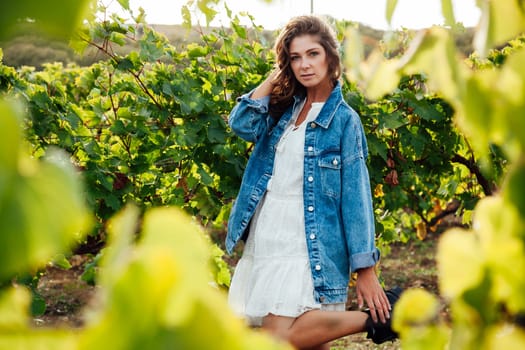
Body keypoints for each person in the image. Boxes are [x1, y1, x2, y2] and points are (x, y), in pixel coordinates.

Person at [225, 15, 402, 350]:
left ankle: (382, 318)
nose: (304, 65)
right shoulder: (282, 111)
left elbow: (356, 198)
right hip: (269, 237)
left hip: (310, 244)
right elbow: (241, 122)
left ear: (330, 57)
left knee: (279, 340)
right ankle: (385, 318)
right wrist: (279, 73)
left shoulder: (344, 121)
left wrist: (365, 268)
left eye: (313, 54)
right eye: (295, 57)